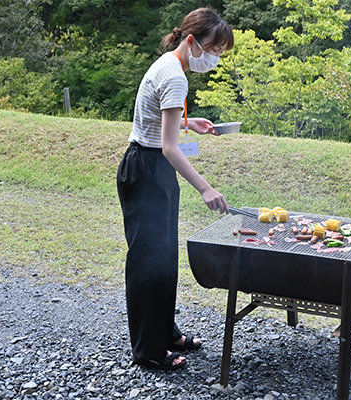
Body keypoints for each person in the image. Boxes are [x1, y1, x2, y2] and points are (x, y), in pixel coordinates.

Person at [116, 8, 233, 370]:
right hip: (148, 169)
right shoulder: (176, 76)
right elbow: (168, 147)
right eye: (214, 49)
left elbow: (157, 120)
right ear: (191, 41)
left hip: (152, 167)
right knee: (148, 264)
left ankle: (166, 332)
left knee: (163, 259)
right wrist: (206, 189)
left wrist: (188, 122)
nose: (214, 58)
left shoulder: (170, 63)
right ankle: (149, 351)